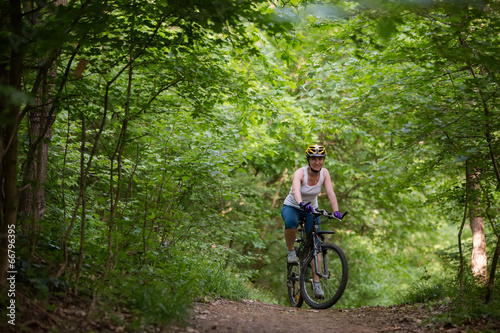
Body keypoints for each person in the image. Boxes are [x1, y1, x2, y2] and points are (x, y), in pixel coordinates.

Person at [281, 144, 344, 299]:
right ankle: (291, 251)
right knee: (291, 221)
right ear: (308, 160)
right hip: (293, 206)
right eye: (314, 158)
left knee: (316, 246)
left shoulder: (325, 173)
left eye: (320, 159)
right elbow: (296, 189)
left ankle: (316, 283)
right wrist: (301, 202)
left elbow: (330, 191)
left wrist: (336, 211)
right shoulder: (300, 173)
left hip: (312, 210)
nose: (317, 162)